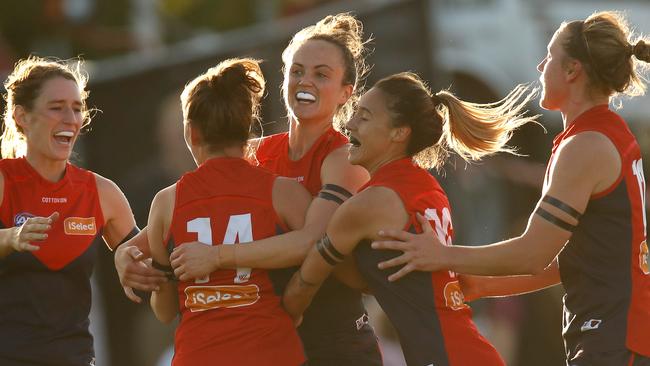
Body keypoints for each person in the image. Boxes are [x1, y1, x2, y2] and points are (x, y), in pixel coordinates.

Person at [372, 11, 650, 366]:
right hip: (617, 335)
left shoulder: (585, 146)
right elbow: (569, 261)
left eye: (549, 57)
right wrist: (483, 285)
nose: (539, 66)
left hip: (613, 339)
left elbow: (531, 255)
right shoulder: (602, 135)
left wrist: (440, 254)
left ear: (572, 71)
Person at [166, 13, 383, 365]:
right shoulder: (256, 152)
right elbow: (197, 205)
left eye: (321, 74)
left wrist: (218, 255)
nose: (305, 81)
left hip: (335, 338)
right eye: (296, 71)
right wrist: (133, 254)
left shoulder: (343, 157)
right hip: (270, 341)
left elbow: (312, 241)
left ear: (347, 94)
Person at [282, 71, 539, 365]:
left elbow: (301, 288)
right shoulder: (429, 188)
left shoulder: (369, 204)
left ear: (399, 132)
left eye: (364, 117)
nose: (349, 124)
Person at [147, 58, 310, 366]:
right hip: (273, 354)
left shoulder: (167, 202)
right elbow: (320, 258)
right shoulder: (285, 193)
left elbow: (166, 311)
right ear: (245, 128)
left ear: (192, 133)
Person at [0, 56, 140, 365]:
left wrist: (135, 262)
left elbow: (146, 261)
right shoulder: (4, 181)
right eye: (56, 107)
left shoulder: (102, 192)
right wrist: (10, 239)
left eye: (76, 108)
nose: (70, 118)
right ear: (21, 115)